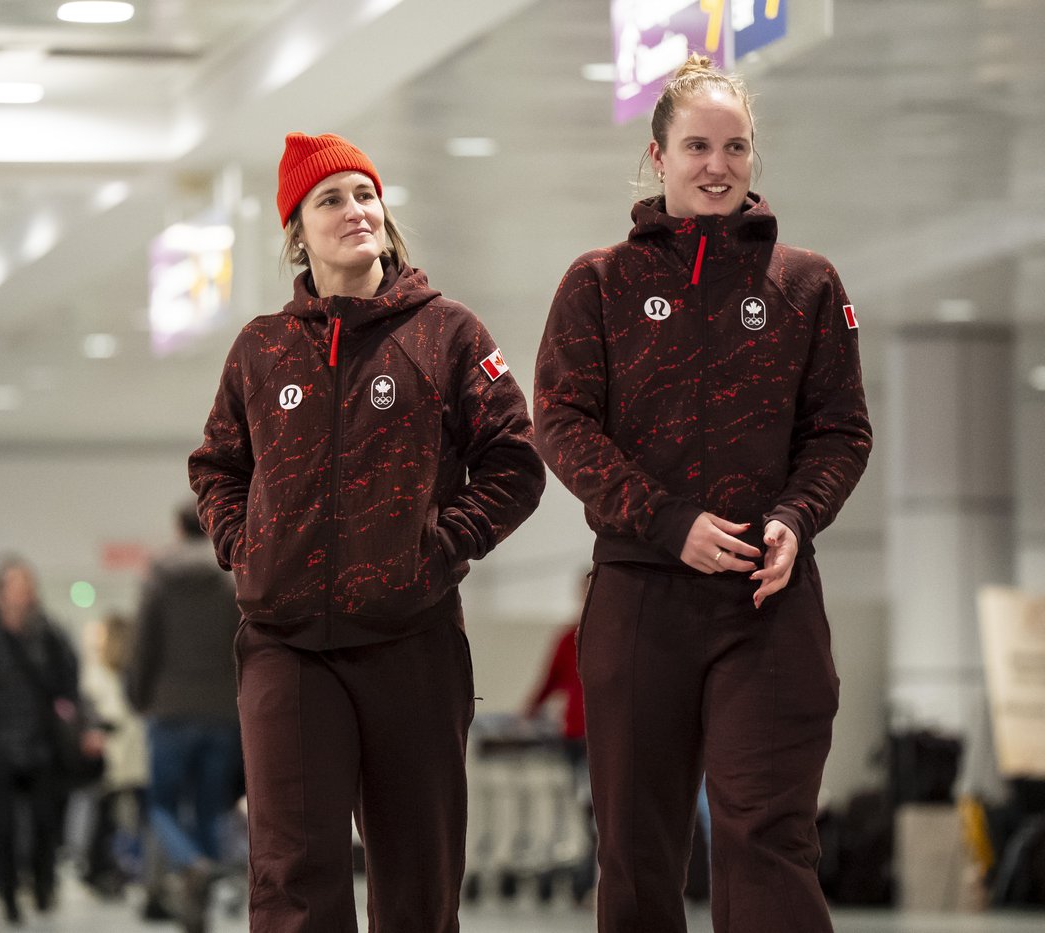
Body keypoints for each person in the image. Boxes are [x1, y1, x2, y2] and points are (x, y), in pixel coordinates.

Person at [532, 55, 873, 933]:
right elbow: (563, 425)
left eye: (735, 146)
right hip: (641, 598)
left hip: (768, 601)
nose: (716, 164)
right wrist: (666, 523)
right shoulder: (598, 283)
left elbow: (840, 430)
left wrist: (797, 517)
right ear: (657, 156)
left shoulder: (806, 285)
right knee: (638, 852)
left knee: (767, 836)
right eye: (696, 146)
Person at [189, 131, 546, 931]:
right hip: (286, 644)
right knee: (292, 881)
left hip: (409, 642)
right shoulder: (262, 349)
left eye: (364, 193)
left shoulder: (446, 334)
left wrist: (436, 548)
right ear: (296, 230)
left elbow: (516, 465)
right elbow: (217, 465)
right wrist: (246, 550)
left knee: (416, 887)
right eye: (330, 199)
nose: (355, 210)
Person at [0, 557, 101, 926]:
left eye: (29, 585)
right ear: (0, 594)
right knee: (0, 826)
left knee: (46, 822)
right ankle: (6, 892)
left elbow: (73, 689)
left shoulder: (50, 635)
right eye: (18, 586)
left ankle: (44, 886)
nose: (26, 593)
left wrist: (86, 728)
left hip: (43, 744)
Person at [125, 503, 242, 932]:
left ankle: (190, 864)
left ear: (177, 530)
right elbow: (242, 646)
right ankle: (200, 902)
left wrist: (139, 697)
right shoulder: (231, 581)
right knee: (212, 809)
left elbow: (142, 648)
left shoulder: (158, 582)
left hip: (170, 710)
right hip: (222, 712)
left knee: (161, 805)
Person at [522, 568, 595, 902]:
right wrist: (526, 714)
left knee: (601, 812)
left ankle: (592, 876)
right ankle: (587, 874)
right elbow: (549, 681)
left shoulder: (618, 636)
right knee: (587, 810)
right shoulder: (569, 638)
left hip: (605, 738)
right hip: (577, 738)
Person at [80, 612, 149, 900]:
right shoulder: (136, 673)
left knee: (105, 818)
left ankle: (100, 871)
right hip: (130, 751)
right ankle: (137, 873)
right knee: (139, 816)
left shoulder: (99, 673)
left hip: (117, 752)